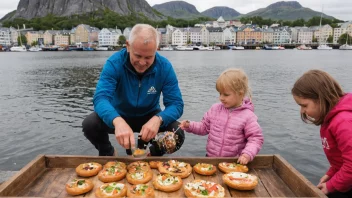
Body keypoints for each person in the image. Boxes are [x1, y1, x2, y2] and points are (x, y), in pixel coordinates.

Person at [82, 24, 185, 156]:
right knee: (90, 124)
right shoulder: (114, 63)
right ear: (128, 46)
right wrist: (117, 120)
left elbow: (176, 104)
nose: (142, 63)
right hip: (120, 114)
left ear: (156, 50)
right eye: (138, 56)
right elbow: (100, 98)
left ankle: (152, 155)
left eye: (148, 57)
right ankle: (108, 152)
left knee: (177, 133)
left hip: (150, 115)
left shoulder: (165, 67)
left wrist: (159, 119)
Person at [179, 68, 264, 164]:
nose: (221, 98)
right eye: (220, 93)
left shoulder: (248, 116)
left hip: (233, 163)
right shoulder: (215, 109)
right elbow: (204, 127)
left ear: (240, 94)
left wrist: (247, 154)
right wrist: (189, 125)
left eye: (226, 95)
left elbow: (256, 138)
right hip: (211, 160)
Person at [292, 70, 352, 197]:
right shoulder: (330, 120)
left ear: (321, 98)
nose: (302, 111)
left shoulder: (343, 122)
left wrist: (331, 185)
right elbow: (340, 159)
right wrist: (331, 173)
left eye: (304, 105)